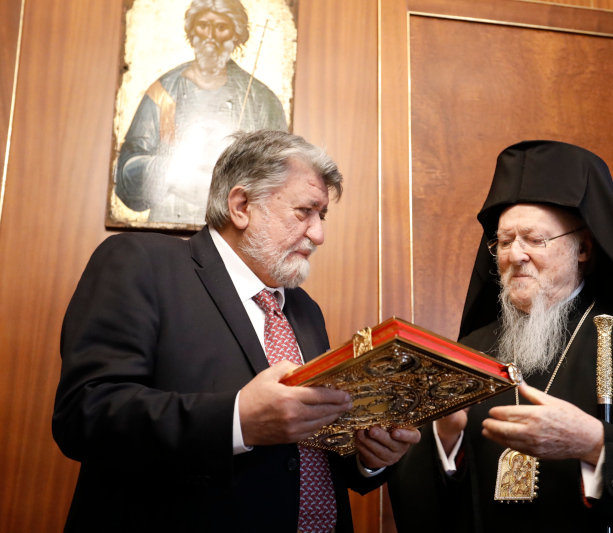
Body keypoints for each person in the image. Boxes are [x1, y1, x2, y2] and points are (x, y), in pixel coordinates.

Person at [54, 130, 420, 533]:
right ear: (241, 206)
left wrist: (368, 457)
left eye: (322, 216)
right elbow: (85, 415)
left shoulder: (305, 309)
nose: (319, 235)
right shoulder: (141, 263)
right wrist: (238, 421)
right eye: (304, 212)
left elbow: (307, 453)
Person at [388, 141, 613, 532]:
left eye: (535, 239)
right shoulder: (467, 354)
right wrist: (445, 440)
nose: (515, 256)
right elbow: (419, 495)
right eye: (505, 241)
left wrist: (597, 444)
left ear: (583, 248)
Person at [115, 0, 288, 225]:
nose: (210, 36)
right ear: (191, 30)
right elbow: (127, 170)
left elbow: (277, 178)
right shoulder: (164, 92)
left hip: (230, 228)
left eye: (221, 27)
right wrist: (172, 171)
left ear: (236, 34)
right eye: (203, 25)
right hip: (168, 222)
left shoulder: (261, 99)